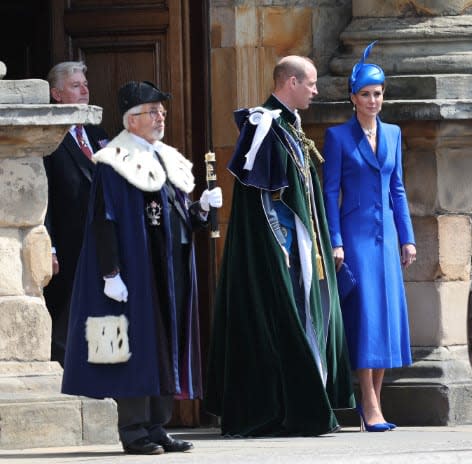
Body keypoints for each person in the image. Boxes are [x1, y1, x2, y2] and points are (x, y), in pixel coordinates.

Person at [61, 80, 223, 455]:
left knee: (166, 344)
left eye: (161, 111)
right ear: (131, 121)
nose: (160, 117)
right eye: (153, 111)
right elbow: (104, 220)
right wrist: (110, 273)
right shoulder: (114, 162)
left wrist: (199, 208)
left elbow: (175, 216)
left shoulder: (164, 157)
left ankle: (157, 425)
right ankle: (133, 431)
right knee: (138, 348)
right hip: (137, 270)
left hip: (171, 269)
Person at [204, 55, 355, 437]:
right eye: (311, 83)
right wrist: (283, 245)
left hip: (302, 250)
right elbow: (264, 199)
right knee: (283, 323)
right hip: (282, 250)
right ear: (290, 82)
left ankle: (303, 408)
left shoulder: (289, 125)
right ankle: (285, 412)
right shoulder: (265, 125)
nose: (316, 91)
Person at [321, 42, 417, 432]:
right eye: (366, 94)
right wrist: (336, 240)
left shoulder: (393, 133)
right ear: (353, 98)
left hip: (387, 235)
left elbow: (398, 189)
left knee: (386, 316)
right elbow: (329, 192)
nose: (373, 100)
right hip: (356, 237)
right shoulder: (338, 136)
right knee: (365, 316)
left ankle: (374, 401)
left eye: (378, 94)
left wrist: (407, 237)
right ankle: (368, 401)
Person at [43, 61, 110, 365]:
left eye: (85, 84)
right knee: (66, 331)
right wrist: (50, 247)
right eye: (75, 85)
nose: (85, 90)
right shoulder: (47, 139)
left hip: (104, 250)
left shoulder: (98, 131)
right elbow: (42, 199)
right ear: (56, 94)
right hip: (69, 252)